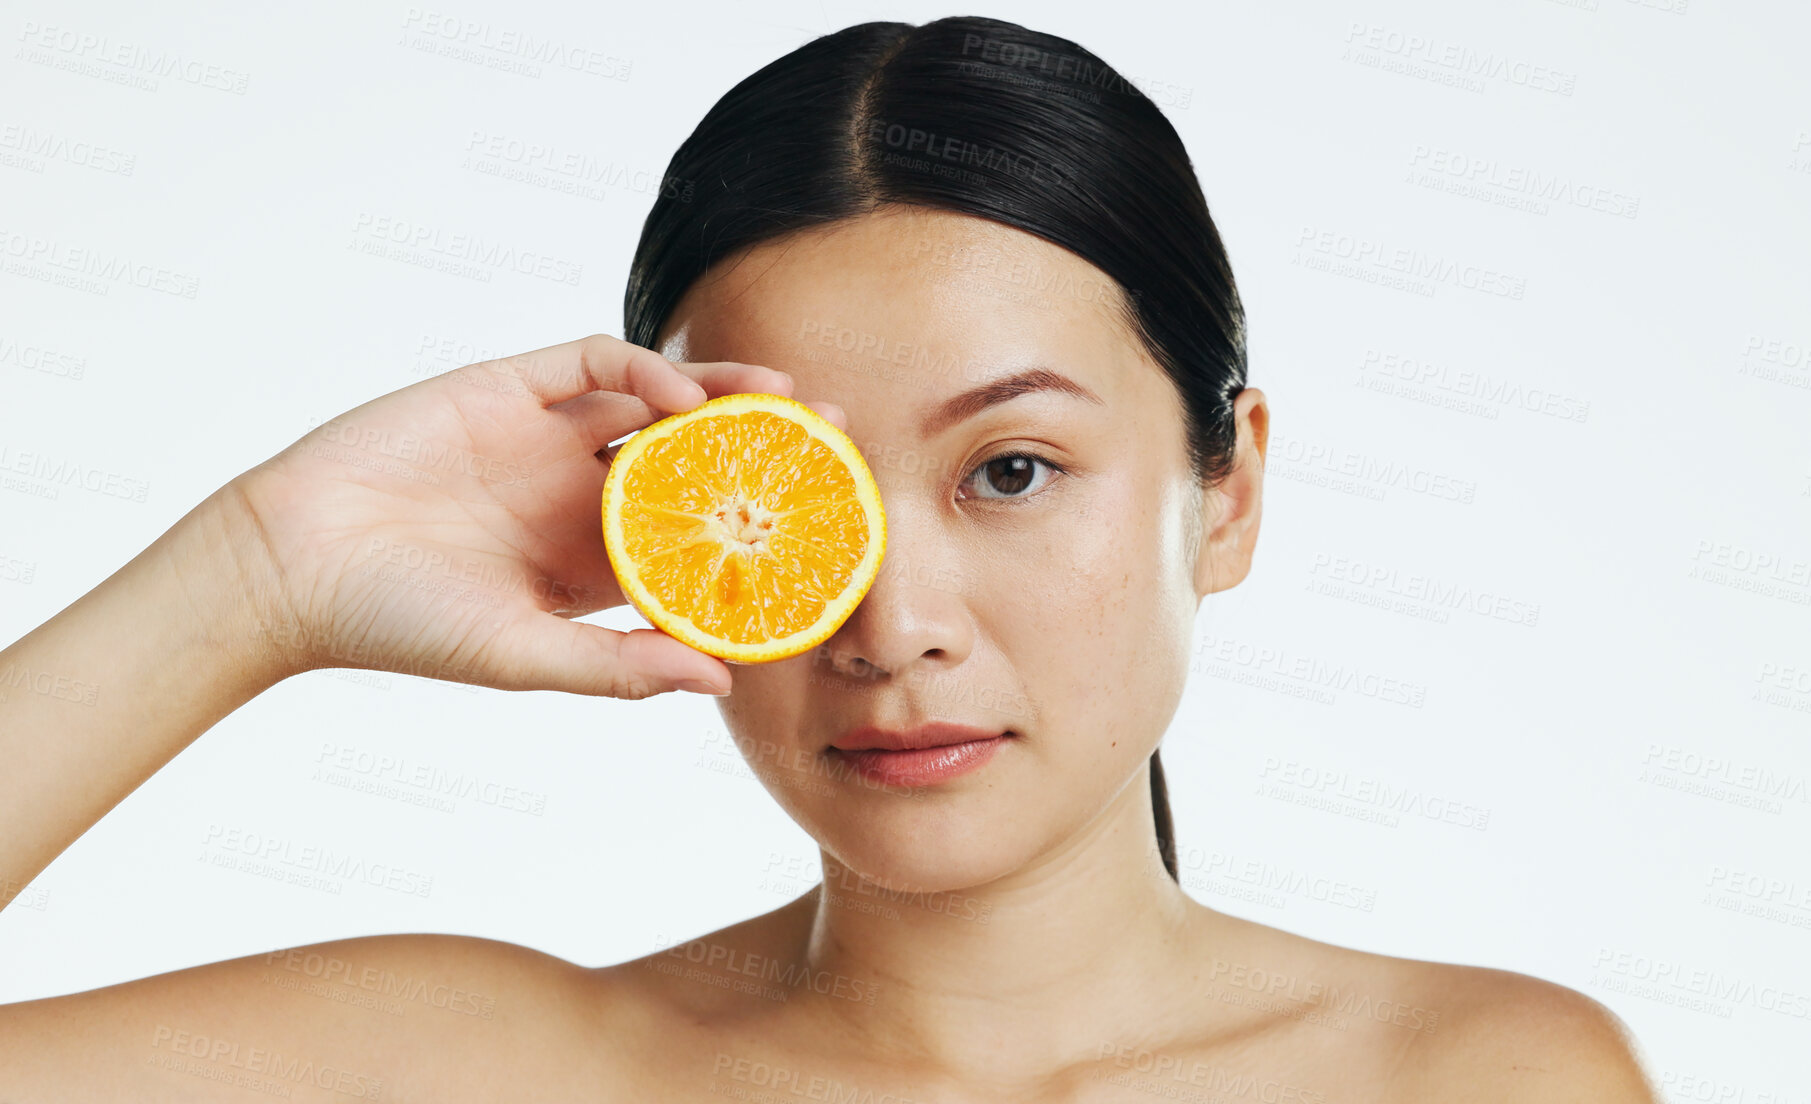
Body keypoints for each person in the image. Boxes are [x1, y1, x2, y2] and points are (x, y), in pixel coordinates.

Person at [0, 14, 1659, 1100]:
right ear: (657, 516)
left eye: (1011, 468)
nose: (894, 621)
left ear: (1225, 496)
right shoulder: (494, 1067)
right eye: (784, 499)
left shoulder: (1483, 1075)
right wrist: (256, 577)